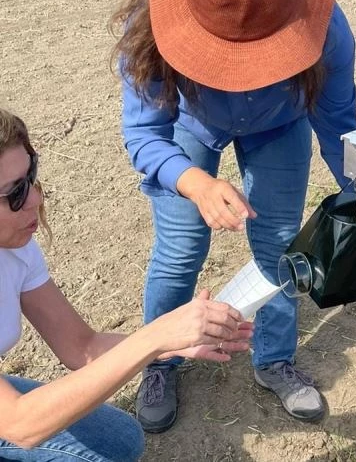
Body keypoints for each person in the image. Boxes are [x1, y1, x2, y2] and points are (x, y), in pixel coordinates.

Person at [109, 0, 356, 432]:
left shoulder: (325, 28)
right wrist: (194, 182)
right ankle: (160, 361)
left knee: (279, 245)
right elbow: (144, 134)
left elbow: (337, 120)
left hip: (280, 123)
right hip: (190, 123)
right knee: (180, 248)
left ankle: (273, 360)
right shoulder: (150, 26)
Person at [0, 108, 253, 461]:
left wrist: (172, 345)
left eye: (30, 177)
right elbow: (21, 425)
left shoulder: (15, 249)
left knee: (119, 440)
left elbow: (80, 346)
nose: (35, 199)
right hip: (12, 418)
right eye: (13, 193)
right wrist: (156, 336)